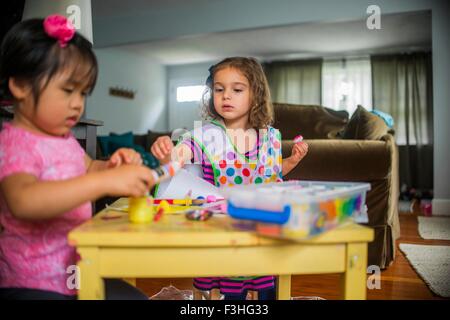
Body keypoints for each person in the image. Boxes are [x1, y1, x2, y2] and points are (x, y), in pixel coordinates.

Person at [0, 15, 155, 300]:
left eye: (83, 93)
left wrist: (110, 165)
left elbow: (89, 168)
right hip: (32, 283)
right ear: (20, 85)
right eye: (68, 90)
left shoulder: (64, 139)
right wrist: (105, 182)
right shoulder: (14, 143)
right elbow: (24, 201)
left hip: (76, 273)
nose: (78, 104)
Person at [151, 57, 308, 300]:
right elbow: (179, 157)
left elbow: (270, 173)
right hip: (220, 233)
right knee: (225, 293)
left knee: (263, 291)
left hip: (261, 231)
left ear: (255, 95)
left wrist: (290, 162)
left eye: (237, 89)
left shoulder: (270, 137)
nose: (226, 96)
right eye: (219, 89)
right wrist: (167, 153)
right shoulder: (206, 135)